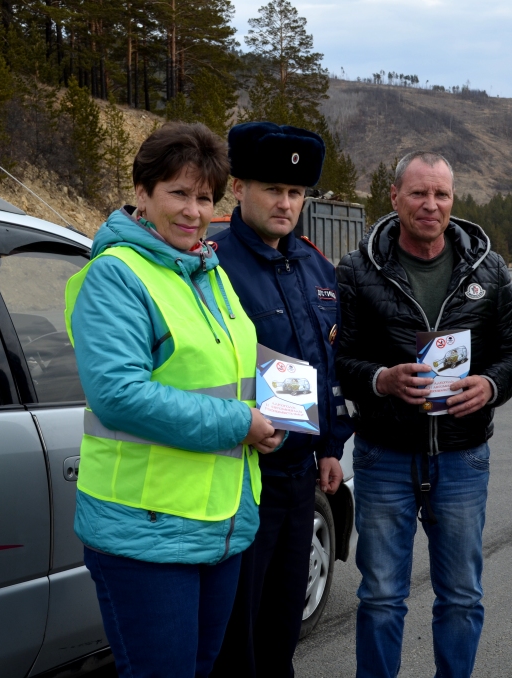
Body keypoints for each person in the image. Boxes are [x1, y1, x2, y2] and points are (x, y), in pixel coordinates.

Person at [63, 122, 285, 678]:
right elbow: (119, 395)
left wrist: (283, 402)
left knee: (200, 668)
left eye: (205, 198)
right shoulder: (117, 276)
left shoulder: (207, 272)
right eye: (178, 194)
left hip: (220, 521)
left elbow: (235, 364)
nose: (193, 211)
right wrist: (243, 422)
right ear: (142, 194)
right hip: (147, 530)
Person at [335, 151, 512, 677]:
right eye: (418, 193)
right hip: (384, 456)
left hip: (462, 458)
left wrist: (489, 386)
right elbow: (341, 358)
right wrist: (383, 379)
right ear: (394, 197)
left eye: (441, 194)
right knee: (379, 597)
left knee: (462, 597)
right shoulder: (357, 270)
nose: (430, 205)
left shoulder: (487, 269)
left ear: (453, 200)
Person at [208, 122, 353, 677]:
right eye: (273, 189)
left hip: (299, 482)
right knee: (234, 637)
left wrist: (330, 447)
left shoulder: (315, 268)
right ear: (239, 187)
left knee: (282, 630)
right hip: (240, 474)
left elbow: (325, 366)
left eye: (296, 193)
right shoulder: (211, 261)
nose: (285, 202)